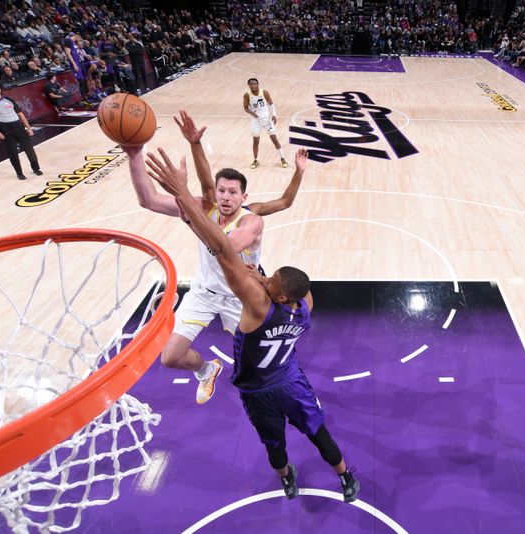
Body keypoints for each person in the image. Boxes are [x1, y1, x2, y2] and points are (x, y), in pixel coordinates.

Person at [144, 147, 360, 503]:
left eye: (268, 279)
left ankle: (286, 477)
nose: (262, 274)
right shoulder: (303, 308)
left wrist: (183, 196)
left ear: (270, 295)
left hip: (257, 388)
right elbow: (291, 286)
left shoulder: (254, 310)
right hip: (289, 377)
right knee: (318, 433)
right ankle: (345, 475)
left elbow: (226, 254)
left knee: (275, 445)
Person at [123, 110, 306, 404]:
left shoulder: (251, 221)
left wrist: (185, 208)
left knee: (261, 363)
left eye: (233, 192)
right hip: (204, 293)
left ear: (243, 198)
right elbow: (149, 200)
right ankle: (207, 369)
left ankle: (289, 384)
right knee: (170, 357)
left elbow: (225, 246)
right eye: (222, 191)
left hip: (241, 298)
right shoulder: (204, 206)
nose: (225, 196)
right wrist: (134, 154)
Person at [0, 80, 43, 180]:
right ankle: (19, 173)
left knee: (29, 150)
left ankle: (36, 168)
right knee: (12, 153)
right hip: (4, 129)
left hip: (18, 126)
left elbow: (21, 114)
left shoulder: (9, 99)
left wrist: (28, 128)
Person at [242, 78, 287, 169]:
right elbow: (246, 107)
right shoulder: (247, 95)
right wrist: (252, 113)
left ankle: (282, 158)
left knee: (274, 140)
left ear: (258, 84)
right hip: (256, 121)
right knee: (256, 142)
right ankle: (256, 160)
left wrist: (274, 115)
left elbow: (271, 104)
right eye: (251, 84)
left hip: (267, 120)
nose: (253, 85)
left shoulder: (265, 93)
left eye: (255, 84)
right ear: (249, 85)